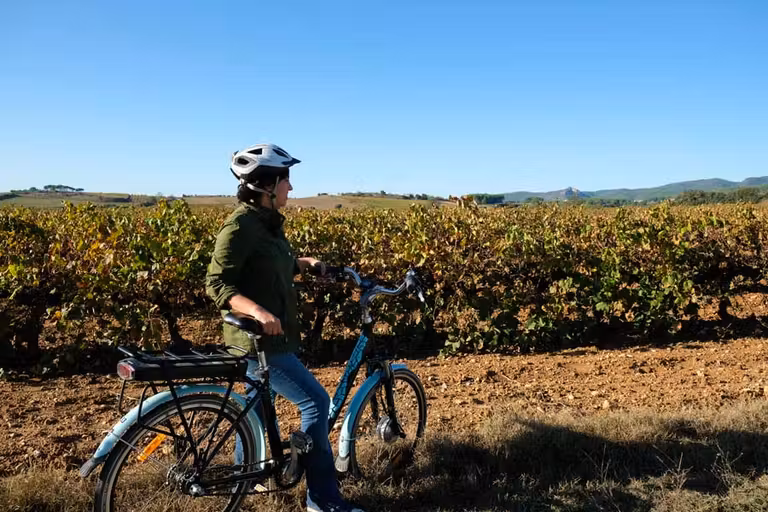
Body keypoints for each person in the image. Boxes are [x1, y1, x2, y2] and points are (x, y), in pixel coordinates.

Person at [205, 143, 364, 512]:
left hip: (269, 341)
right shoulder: (240, 226)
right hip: (258, 344)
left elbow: (273, 265)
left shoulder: (268, 224)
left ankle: (247, 477)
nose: (290, 187)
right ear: (266, 186)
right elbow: (217, 282)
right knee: (316, 402)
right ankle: (322, 501)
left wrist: (306, 264)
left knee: (256, 411)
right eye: (285, 180)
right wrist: (257, 310)